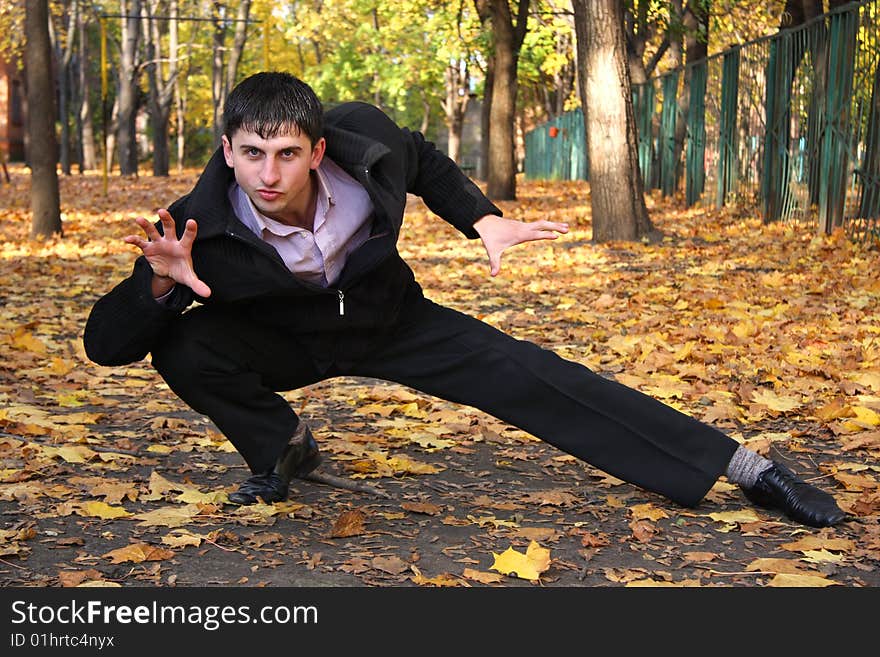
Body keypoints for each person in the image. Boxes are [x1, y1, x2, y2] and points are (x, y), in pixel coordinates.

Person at [83, 72, 845, 528]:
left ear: (317, 149)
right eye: (251, 154)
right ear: (227, 151)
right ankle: (282, 445)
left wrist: (483, 219)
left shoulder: (364, 142)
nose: (269, 173)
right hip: (285, 340)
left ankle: (747, 469)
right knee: (184, 343)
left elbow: (428, 161)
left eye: (287, 154)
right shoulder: (193, 226)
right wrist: (156, 282)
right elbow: (105, 345)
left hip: (393, 321)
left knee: (535, 374)